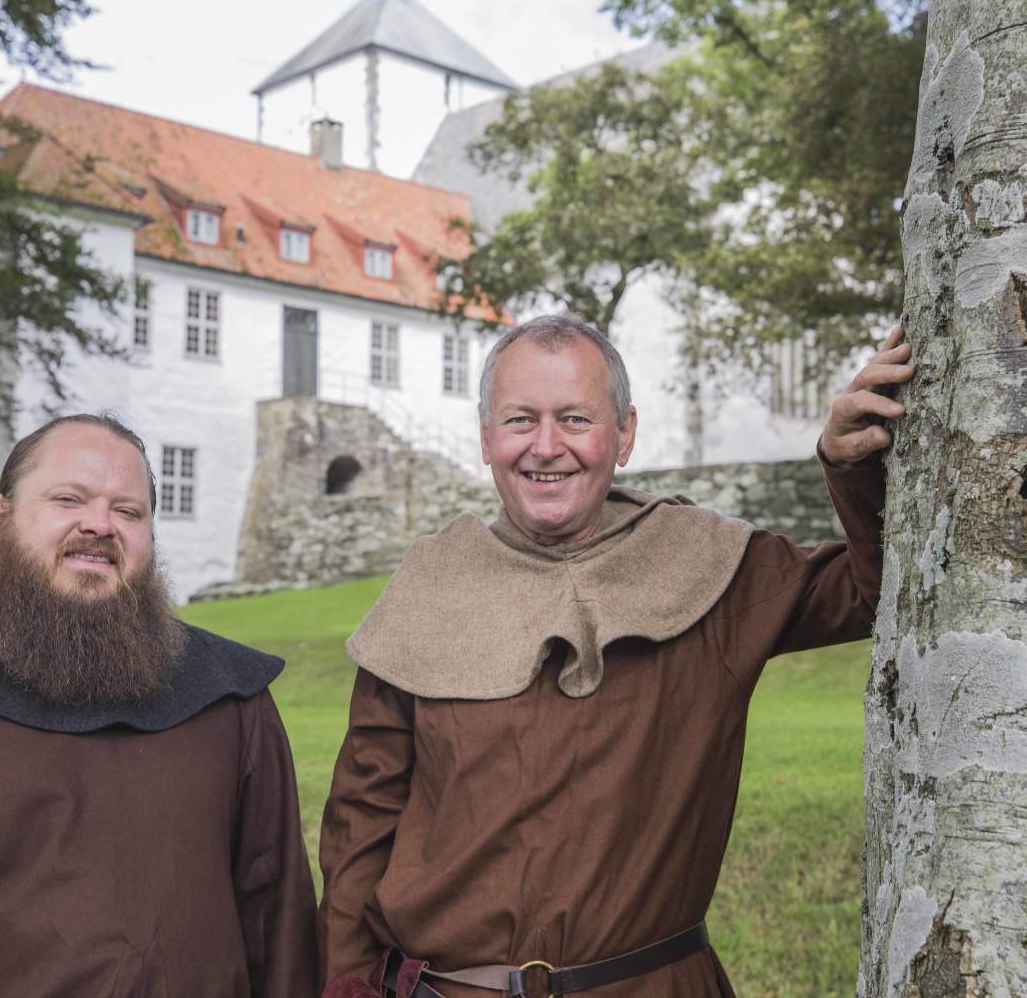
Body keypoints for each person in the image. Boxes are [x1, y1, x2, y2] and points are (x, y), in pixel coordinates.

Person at [319, 315, 910, 998]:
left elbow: (878, 592)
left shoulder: (708, 566)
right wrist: (345, 986)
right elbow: (360, 827)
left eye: (575, 419)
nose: (546, 447)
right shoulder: (427, 588)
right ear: (486, 438)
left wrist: (851, 462)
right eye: (519, 420)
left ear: (624, 434)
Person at [0, 413, 317, 997]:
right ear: (1, 518)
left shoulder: (231, 701)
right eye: (68, 499)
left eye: (129, 511)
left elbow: (282, 938)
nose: (100, 524)